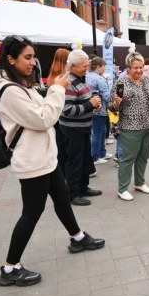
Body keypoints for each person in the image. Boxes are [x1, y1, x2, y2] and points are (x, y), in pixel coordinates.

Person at [0, 35, 105, 287]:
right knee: (32, 212)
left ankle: (77, 237)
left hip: (45, 158)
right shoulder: (10, 91)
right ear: (11, 59)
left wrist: (51, 90)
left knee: (62, 198)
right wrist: (57, 89)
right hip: (32, 162)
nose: (33, 63)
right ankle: (9, 269)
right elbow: (43, 119)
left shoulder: (20, 84)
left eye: (33, 57)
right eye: (27, 58)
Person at [111, 52, 149, 201]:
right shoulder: (121, 84)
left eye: (141, 67)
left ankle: (140, 183)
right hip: (130, 127)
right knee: (128, 158)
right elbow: (111, 106)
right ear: (128, 68)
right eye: (135, 68)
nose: (139, 70)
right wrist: (116, 103)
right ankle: (122, 189)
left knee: (143, 157)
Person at [60, 50, 103, 206]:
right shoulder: (68, 82)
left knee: (85, 160)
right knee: (74, 162)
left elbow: (84, 102)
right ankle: (72, 194)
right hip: (73, 130)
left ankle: (83, 188)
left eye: (87, 65)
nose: (87, 68)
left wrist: (94, 106)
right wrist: (89, 105)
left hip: (83, 127)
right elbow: (67, 110)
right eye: (84, 66)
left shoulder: (80, 79)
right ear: (73, 66)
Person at [47, 48, 70, 176]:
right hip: (62, 112)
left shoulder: (53, 73)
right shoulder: (62, 76)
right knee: (64, 145)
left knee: (60, 143)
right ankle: (63, 171)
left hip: (56, 114)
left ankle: (61, 170)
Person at [86, 57, 112, 165]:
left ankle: (101, 152)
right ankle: (95, 156)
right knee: (98, 132)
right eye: (103, 66)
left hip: (89, 107)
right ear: (98, 67)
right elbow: (107, 96)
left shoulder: (86, 76)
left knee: (101, 130)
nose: (104, 69)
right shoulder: (99, 79)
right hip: (99, 109)